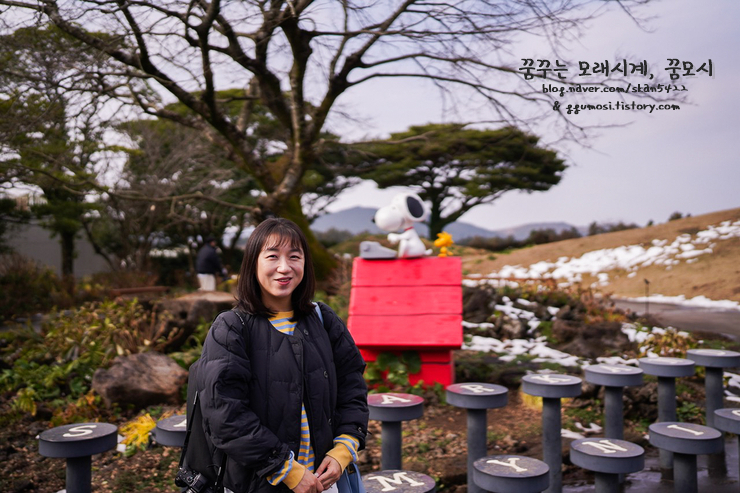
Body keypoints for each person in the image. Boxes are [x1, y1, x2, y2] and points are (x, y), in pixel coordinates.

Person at [190, 218, 369, 493]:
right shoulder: (232, 327)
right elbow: (224, 413)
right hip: (258, 484)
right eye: (272, 256)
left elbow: (352, 386)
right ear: (253, 263)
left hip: (323, 480)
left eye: (294, 257)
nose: (284, 267)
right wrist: (287, 470)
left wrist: (344, 449)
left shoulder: (323, 319)